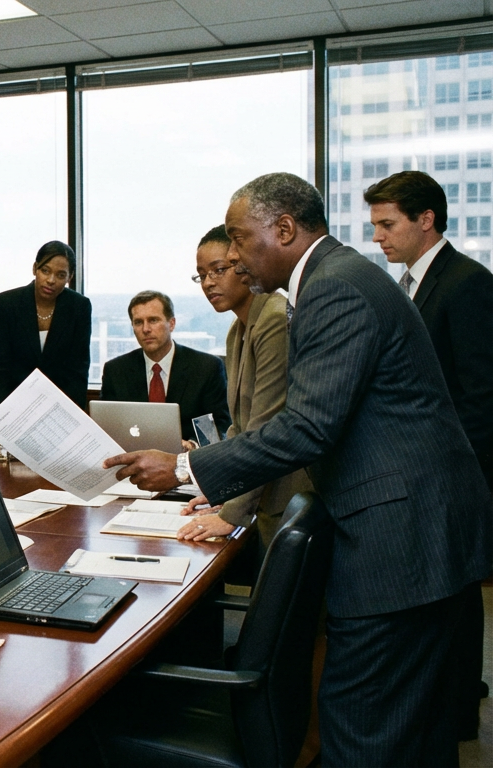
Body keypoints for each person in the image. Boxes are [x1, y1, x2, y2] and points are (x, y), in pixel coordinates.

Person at [106, 172, 492, 766]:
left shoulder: (332, 290)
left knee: (361, 730)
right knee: (414, 727)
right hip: (421, 530)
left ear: (283, 229)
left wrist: (188, 469)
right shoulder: (338, 278)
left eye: (238, 238)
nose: (231, 254)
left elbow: (308, 426)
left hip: (399, 541)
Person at [367, 169, 493, 741]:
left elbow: (482, 397)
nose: (378, 238)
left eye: (387, 225)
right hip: (428, 472)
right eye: (374, 226)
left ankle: (460, 716)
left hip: (456, 475)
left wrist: (441, 469)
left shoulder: (467, 283)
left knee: (459, 601)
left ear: (427, 220)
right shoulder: (410, 283)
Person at [176, 226, 311, 548]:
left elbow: (263, 427)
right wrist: (222, 490)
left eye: (218, 270)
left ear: (244, 265)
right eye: (201, 275)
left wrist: (230, 513)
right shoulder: (238, 329)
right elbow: (238, 427)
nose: (209, 282)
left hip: (289, 497)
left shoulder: (275, 319)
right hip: (263, 495)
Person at [99, 290, 231, 443]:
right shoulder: (116, 370)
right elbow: (107, 427)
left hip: (187, 460)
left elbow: (218, 426)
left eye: (153, 320)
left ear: (172, 324)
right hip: (134, 459)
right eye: (138, 322)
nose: (146, 329)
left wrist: (193, 446)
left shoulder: (206, 367)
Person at [0, 241, 92, 410]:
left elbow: (78, 371)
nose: (51, 280)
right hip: (12, 406)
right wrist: (4, 414)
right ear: (35, 268)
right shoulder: (8, 303)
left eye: (60, 275)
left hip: (59, 408)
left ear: (69, 277)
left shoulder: (79, 307)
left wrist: (70, 413)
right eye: (45, 271)